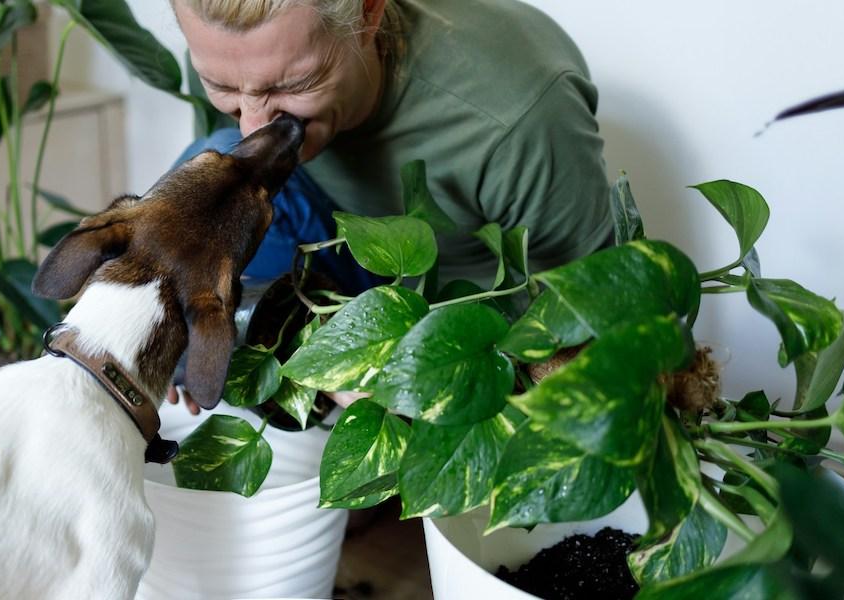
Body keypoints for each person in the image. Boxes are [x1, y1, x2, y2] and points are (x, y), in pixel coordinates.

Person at [166, 0, 613, 413]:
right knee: (216, 160)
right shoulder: (233, 48)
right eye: (221, 87)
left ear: (368, 14)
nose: (253, 129)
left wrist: (398, 373)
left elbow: (590, 317)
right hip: (333, 251)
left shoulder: (521, 119)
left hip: (464, 319)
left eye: (291, 85)